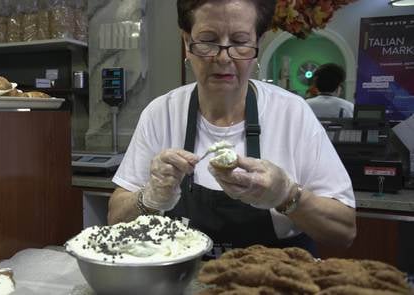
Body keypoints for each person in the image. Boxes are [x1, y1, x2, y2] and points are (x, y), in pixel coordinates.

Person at [108, 0, 356, 256]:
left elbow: (344, 231)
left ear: (257, 45)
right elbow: (116, 218)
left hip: (275, 281)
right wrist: (150, 197)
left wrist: (286, 195)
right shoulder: (161, 113)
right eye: (208, 40)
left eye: (239, 42)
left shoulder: (292, 113)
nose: (223, 57)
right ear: (186, 43)